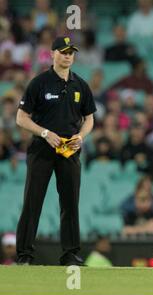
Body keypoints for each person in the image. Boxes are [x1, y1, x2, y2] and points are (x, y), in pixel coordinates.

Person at [15, 36, 96, 265]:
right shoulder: (39, 82)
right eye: (63, 51)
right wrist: (44, 133)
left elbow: (89, 118)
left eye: (71, 52)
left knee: (70, 202)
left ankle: (70, 254)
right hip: (42, 148)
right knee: (33, 201)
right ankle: (24, 255)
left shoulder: (81, 84)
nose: (67, 55)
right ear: (52, 54)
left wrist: (81, 136)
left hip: (69, 150)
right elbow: (21, 118)